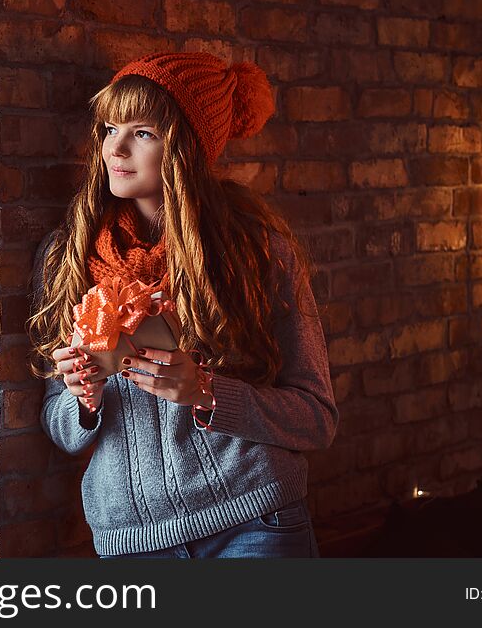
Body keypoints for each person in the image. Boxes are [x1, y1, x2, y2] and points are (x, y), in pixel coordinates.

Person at [26, 52, 339, 558]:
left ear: (187, 148)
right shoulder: (66, 258)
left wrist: (207, 391)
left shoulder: (256, 250)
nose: (115, 148)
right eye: (109, 128)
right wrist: (81, 396)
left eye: (142, 133)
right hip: (132, 543)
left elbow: (316, 417)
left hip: (254, 523)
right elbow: (62, 431)